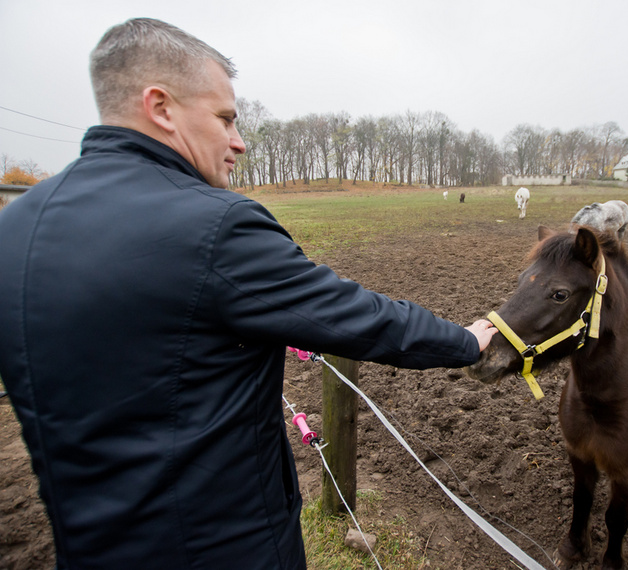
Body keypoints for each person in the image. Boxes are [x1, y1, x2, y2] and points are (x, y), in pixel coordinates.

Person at [0, 18, 497, 570]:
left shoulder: (14, 228)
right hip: (225, 547)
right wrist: (465, 341)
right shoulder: (215, 226)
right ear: (161, 107)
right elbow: (357, 316)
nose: (239, 141)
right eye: (225, 118)